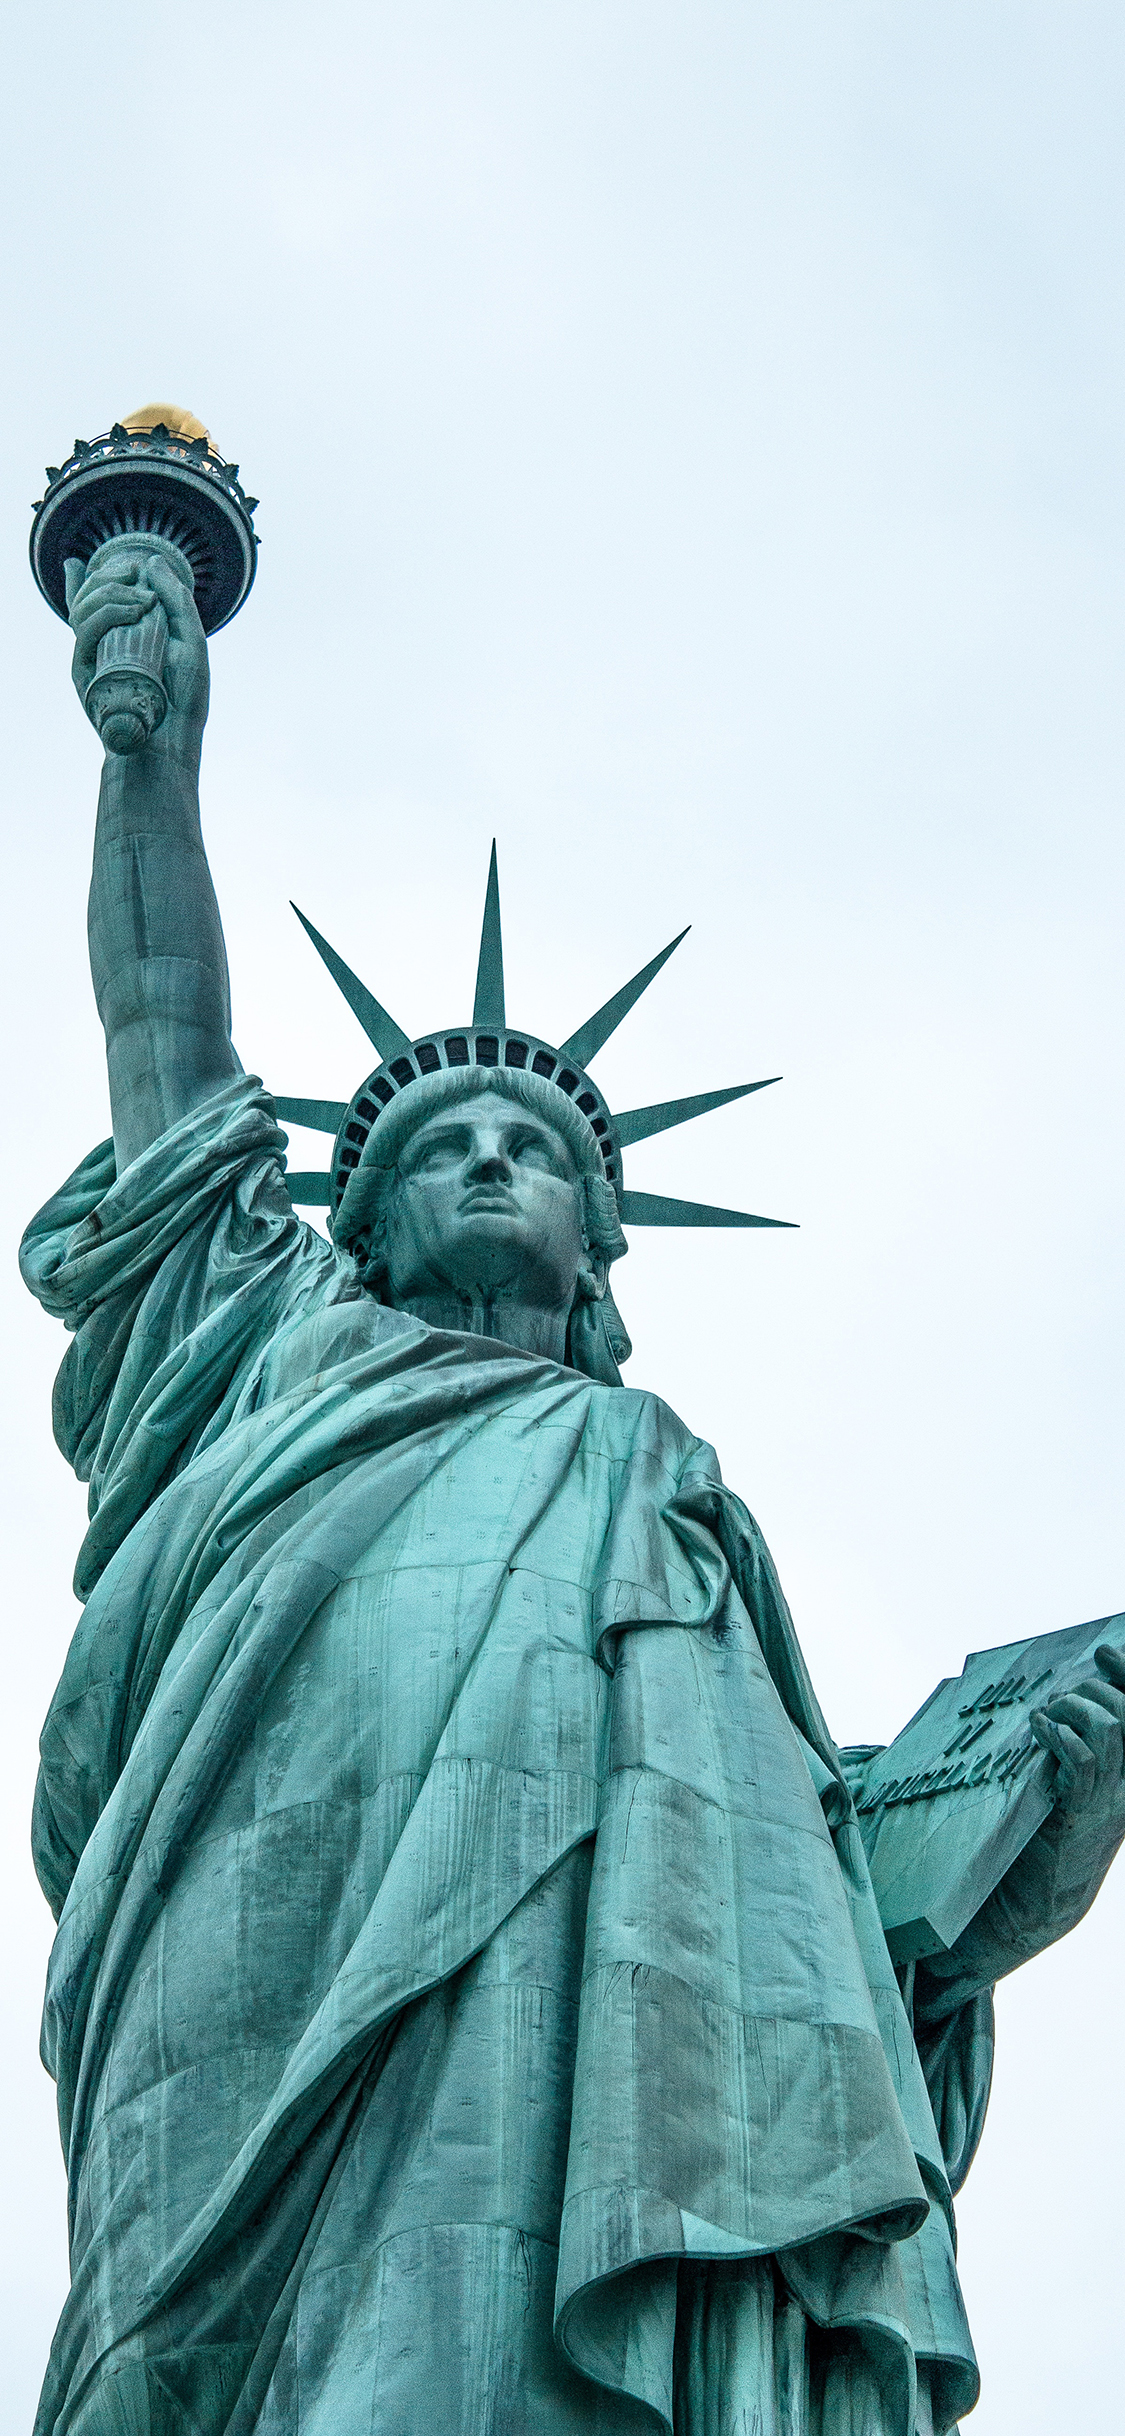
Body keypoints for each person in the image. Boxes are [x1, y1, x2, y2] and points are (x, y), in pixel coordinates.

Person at [21, 550, 1125, 2436]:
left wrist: (1023, 1820)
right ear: (345, 1227)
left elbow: (805, 1895)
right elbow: (164, 1050)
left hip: (615, 2046)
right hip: (263, 1958)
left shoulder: (657, 1483)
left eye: (523, 1150)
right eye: (432, 1148)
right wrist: (151, 760)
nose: (477, 1165)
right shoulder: (267, 1353)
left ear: (596, 1245)